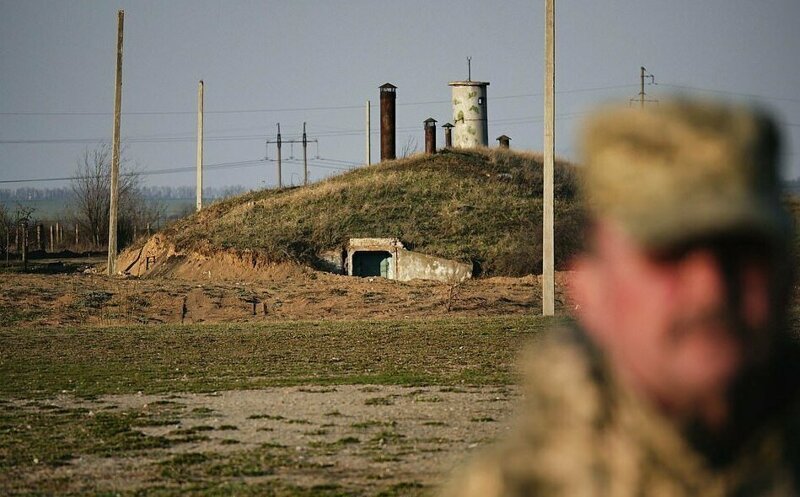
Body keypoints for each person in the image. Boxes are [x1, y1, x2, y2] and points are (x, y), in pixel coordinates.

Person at [441, 100, 799, 496]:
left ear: (786, 275)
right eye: (668, 252)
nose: (711, 289)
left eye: (742, 250)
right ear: (589, 286)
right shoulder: (516, 487)